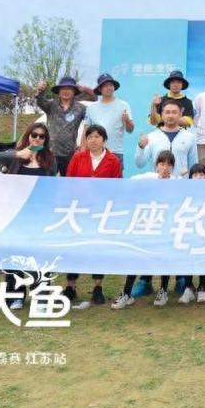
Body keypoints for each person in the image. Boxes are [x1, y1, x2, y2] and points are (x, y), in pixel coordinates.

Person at [0, 123, 59, 310]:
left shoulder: (49, 159)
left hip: (39, 215)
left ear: (45, 140)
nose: (37, 138)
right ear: (28, 135)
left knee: (40, 257)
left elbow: (54, 184)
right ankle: (15, 297)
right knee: (14, 255)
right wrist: (17, 155)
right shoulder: (15, 156)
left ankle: (41, 296)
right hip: (16, 214)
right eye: (34, 135)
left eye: (41, 136)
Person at [62, 124, 122, 309]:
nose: (93, 140)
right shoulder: (78, 157)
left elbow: (117, 185)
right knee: (75, 247)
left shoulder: (112, 160)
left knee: (98, 248)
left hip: (101, 212)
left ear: (104, 139)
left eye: (97, 137)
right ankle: (71, 286)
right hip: (79, 211)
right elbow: (69, 180)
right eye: (90, 137)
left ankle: (98, 286)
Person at [114, 152, 179, 308]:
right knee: (137, 258)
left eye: (169, 164)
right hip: (148, 226)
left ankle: (163, 290)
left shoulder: (177, 182)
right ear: (156, 166)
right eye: (162, 164)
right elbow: (130, 182)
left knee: (164, 258)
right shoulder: (149, 177)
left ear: (172, 167)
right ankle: (126, 293)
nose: (165, 168)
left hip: (166, 227)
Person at [35, 76, 92, 167]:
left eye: (69, 88)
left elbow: (91, 120)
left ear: (74, 91)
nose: (66, 91)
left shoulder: (81, 108)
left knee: (69, 176)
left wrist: (86, 89)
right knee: (49, 176)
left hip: (70, 154)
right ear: (58, 91)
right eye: (63, 88)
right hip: (50, 153)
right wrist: (40, 91)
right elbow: (40, 101)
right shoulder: (51, 105)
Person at [135, 99, 198, 175]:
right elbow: (140, 164)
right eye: (167, 112)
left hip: (181, 181)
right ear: (162, 114)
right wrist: (141, 148)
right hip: (158, 181)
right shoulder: (151, 137)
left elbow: (193, 166)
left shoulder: (189, 137)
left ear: (181, 114)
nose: (170, 116)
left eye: (174, 112)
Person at [83, 73, 134, 165]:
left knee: (116, 175)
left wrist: (127, 120)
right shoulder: (91, 107)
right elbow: (86, 130)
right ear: (100, 89)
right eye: (105, 86)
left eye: (111, 85)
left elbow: (130, 130)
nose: (109, 88)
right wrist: (83, 149)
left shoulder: (123, 105)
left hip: (115, 152)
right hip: (95, 152)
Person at [179, 166, 205, 304]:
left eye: (201, 174)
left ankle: (202, 287)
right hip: (188, 230)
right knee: (187, 259)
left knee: (203, 258)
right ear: (190, 177)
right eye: (195, 174)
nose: (199, 177)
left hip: (204, 231)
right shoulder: (185, 191)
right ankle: (188, 287)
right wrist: (180, 177)